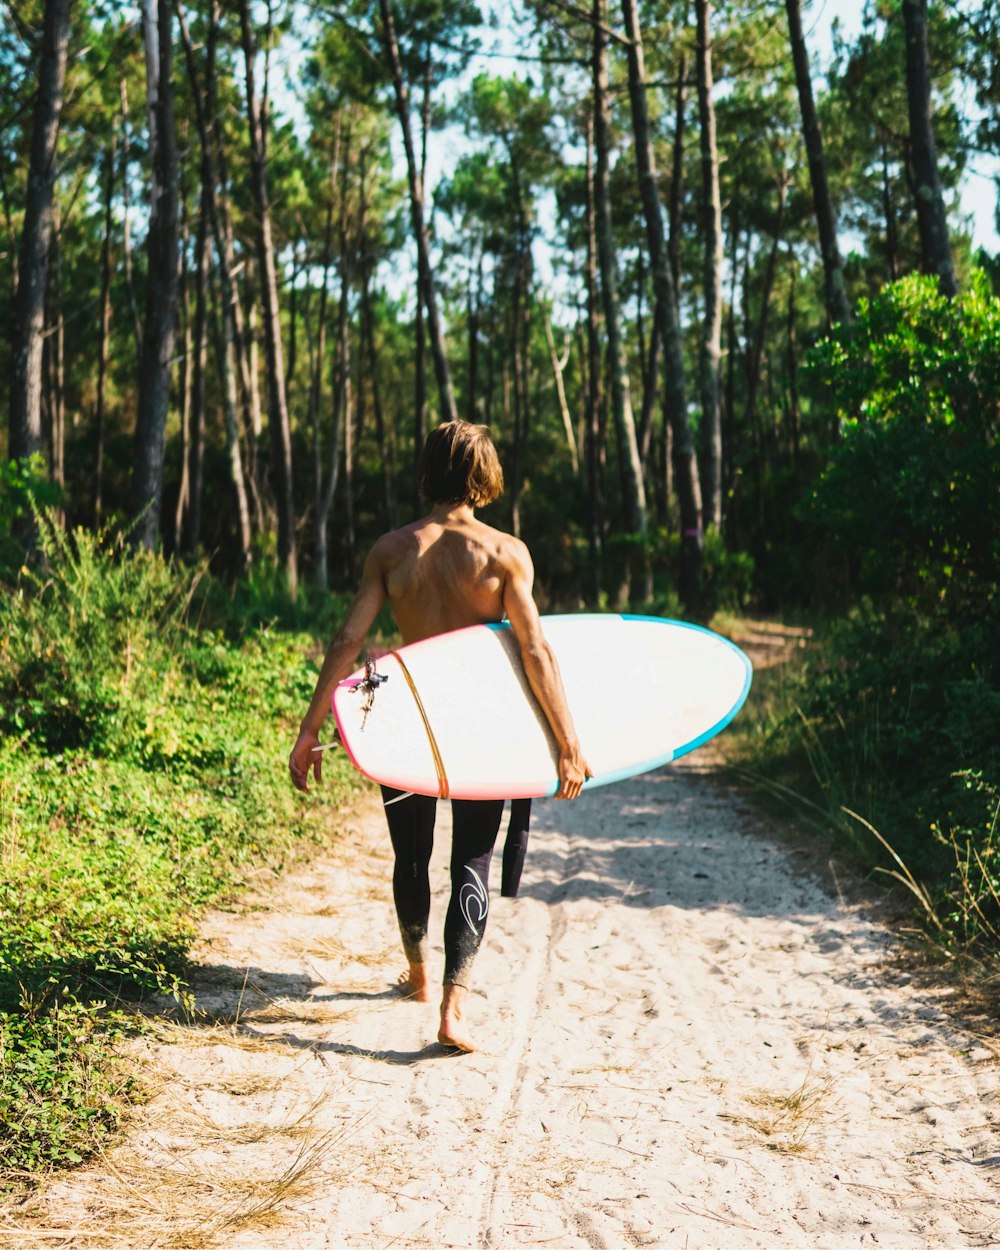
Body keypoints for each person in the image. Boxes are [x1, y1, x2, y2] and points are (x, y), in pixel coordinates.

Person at [289, 420, 590, 1052]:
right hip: (480, 727)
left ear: (429, 469)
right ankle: (453, 1007)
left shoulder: (394, 550)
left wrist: (311, 728)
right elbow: (536, 650)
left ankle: (420, 975)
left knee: (410, 855)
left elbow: (347, 642)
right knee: (471, 860)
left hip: (409, 723)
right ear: (484, 474)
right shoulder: (506, 554)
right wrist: (567, 743)